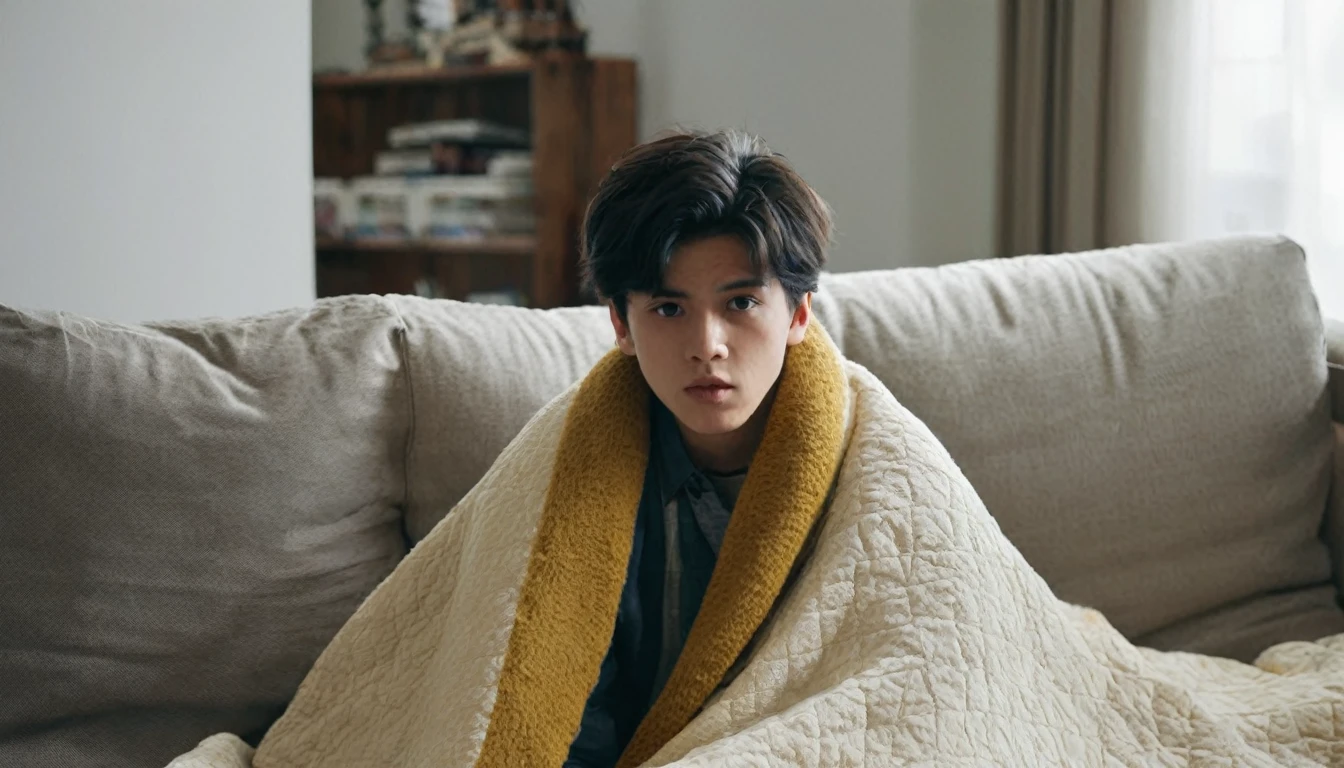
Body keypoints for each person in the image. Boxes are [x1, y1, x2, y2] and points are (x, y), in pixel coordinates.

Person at [566, 130, 833, 767]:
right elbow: (560, 710)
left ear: (797, 316)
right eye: (667, 309)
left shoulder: (870, 462)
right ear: (620, 324)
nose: (707, 344)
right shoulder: (582, 476)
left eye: (741, 302)